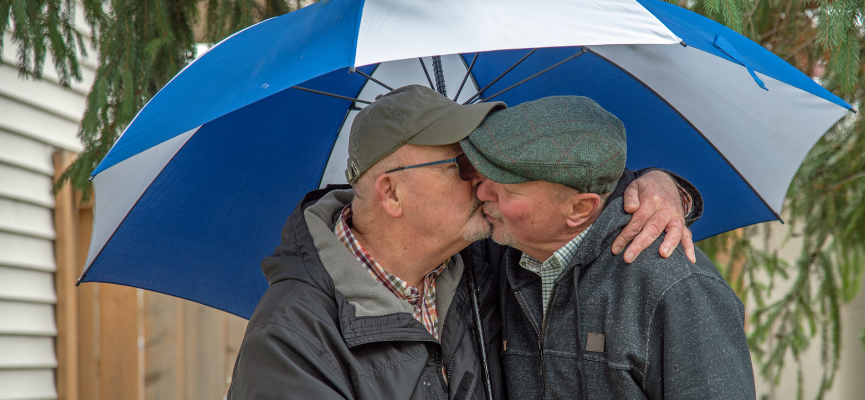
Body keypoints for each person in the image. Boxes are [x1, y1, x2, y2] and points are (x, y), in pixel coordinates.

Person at [227, 85, 700, 399]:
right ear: (392, 193)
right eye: (462, 167)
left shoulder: (489, 254)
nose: (485, 182)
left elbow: (569, 196)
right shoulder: (291, 339)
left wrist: (657, 186)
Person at [462, 95, 756, 399]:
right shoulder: (498, 255)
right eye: (486, 176)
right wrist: (658, 179)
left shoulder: (677, 288)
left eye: (508, 189)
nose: (482, 192)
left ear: (578, 209)